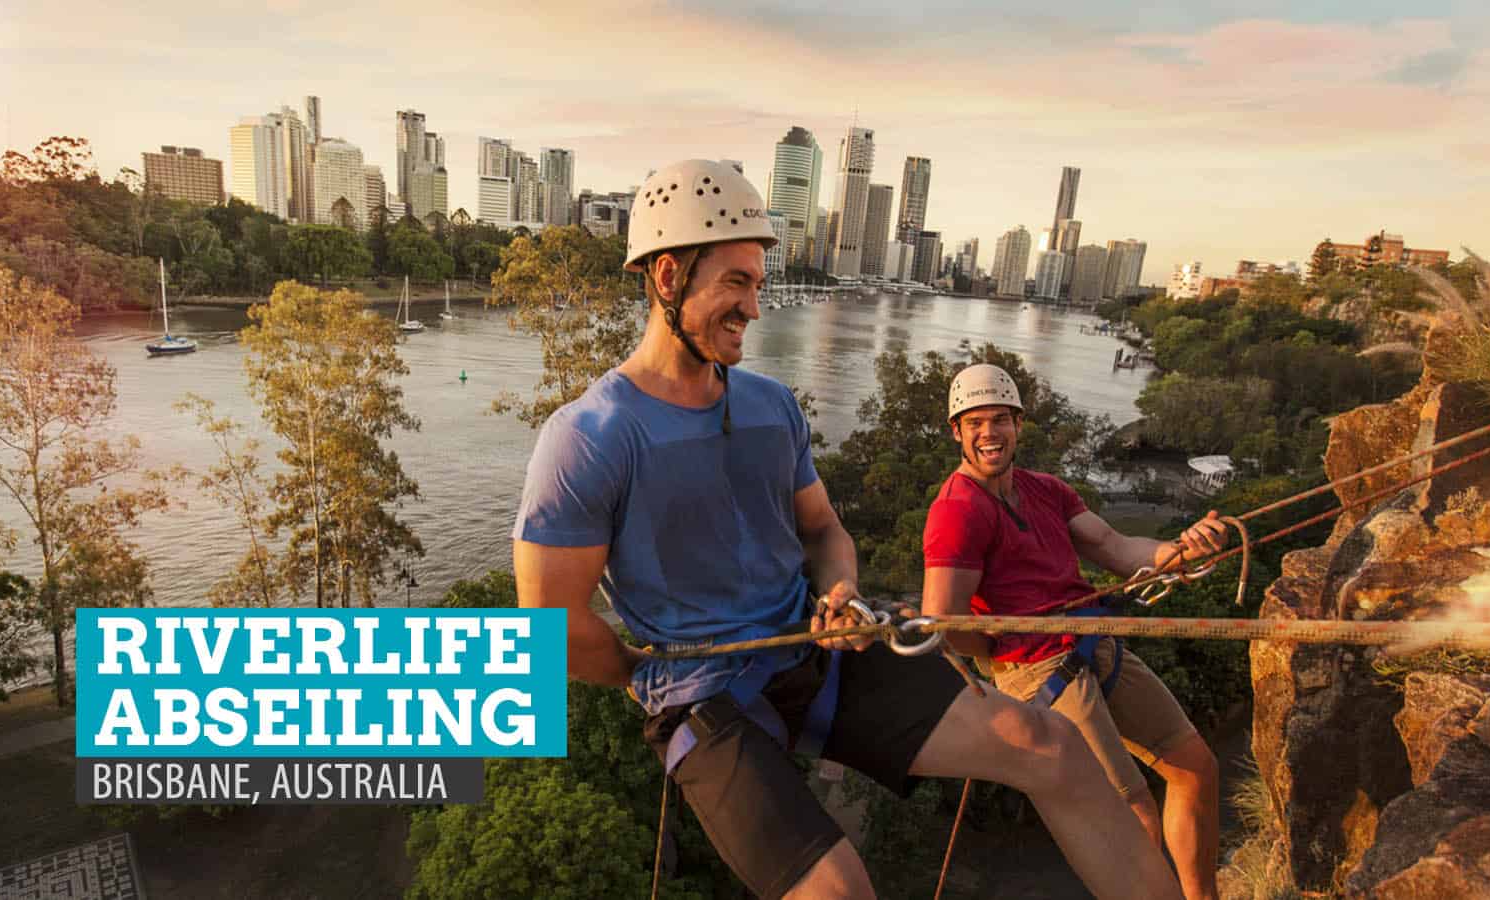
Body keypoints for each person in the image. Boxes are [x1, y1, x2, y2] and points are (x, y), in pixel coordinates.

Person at [512, 159, 1179, 900]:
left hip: (814, 647)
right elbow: (553, 623)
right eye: (736, 283)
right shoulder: (590, 437)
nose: (755, 308)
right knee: (838, 894)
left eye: (758, 284)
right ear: (668, 277)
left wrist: (838, 594)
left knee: (1047, 743)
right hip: (701, 693)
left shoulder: (771, 406)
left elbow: (824, 530)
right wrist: (646, 676)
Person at [921, 362, 1226, 900]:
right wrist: (1002, 653)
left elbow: (1114, 548)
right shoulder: (957, 512)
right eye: (975, 423)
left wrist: (1179, 552)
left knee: (1194, 766)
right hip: (1038, 670)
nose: (989, 433)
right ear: (957, 433)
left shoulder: (1047, 492)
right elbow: (944, 623)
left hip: (1092, 643)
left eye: (1000, 420)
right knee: (1131, 817)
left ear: (1018, 425)